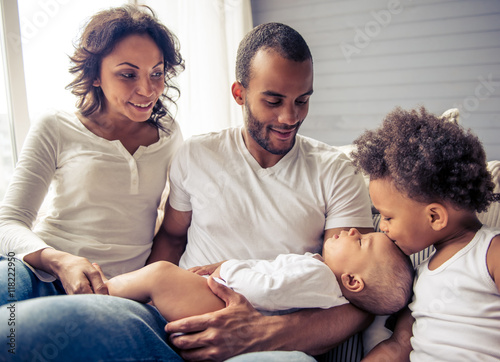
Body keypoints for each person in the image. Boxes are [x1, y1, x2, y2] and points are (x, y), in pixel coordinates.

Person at [0, 22, 373, 362]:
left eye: (302, 100)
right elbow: (172, 238)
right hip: (98, 289)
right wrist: (134, 294)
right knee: (16, 326)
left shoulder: (336, 171)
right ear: (239, 94)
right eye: (273, 101)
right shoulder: (195, 153)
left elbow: (364, 289)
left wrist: (264, 333)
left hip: (213, 329)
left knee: (24, 333)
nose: (290, 118)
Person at [0, 5, 185, 361]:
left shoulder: (169, 137)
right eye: (128, 75)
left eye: (157, 73)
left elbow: (176, 227)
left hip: (111, 293)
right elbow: (9, 220)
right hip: (40, 272)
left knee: (20, 331)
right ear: (96, 75)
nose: (148, 90)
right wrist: (60, 261)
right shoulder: (55, 126)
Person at [350, 107, 500, 361]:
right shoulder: (418, 274)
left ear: (434, 217)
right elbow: (399, 345)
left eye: (387, 217)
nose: (382, 227)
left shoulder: (490, 253)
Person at [97, 228, 414, 321]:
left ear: (352, 281)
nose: (354, 230)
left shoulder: (317, 275)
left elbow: (265, 290)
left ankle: (99, 294)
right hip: (223, 301)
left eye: (360, 242)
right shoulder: (320, 280)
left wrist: (226, 269)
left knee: (161, 275)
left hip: (222, 305)